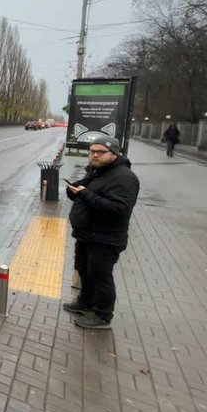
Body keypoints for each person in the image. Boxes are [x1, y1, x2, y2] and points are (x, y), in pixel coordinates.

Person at [64, 135, 140, 330]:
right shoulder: (97, 171)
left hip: (105, 238)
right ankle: (85, 302)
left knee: (100, 276)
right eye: (92, 151)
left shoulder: (124, 177)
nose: (95, 155)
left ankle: (103, 315)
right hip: (87, 234)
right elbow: (87, 194)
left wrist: (85, 194)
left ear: (113, 153)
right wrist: (75, 191)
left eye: (100, 152)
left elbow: (118, 209)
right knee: (84, 270)